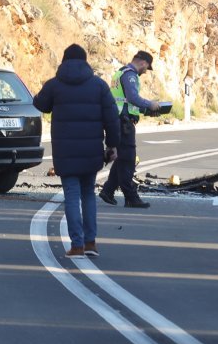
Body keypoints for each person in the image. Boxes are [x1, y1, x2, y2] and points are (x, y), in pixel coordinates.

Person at [34, 44, 120, 258]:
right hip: (91, 151)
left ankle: (77, 245)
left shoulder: (55, 85)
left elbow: (40, 104)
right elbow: (112, 118)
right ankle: (91, 243)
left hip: (65, 151)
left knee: (72, 196)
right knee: (88, 195)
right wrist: (112, 145)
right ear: (85, 61)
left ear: (63, 61)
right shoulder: (99, 86)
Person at [99, 51, 160, 209]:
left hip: (118, 120)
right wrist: (150, 104)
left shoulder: (119, 73)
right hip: (123, 123)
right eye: (147, 67)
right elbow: (133, 97)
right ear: (143, 63)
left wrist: (144, 111)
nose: (146, 71)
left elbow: (125, 102)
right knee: (128, 160)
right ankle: (131, 197)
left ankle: (108, 191)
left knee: (121, 159)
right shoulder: (130, 75)